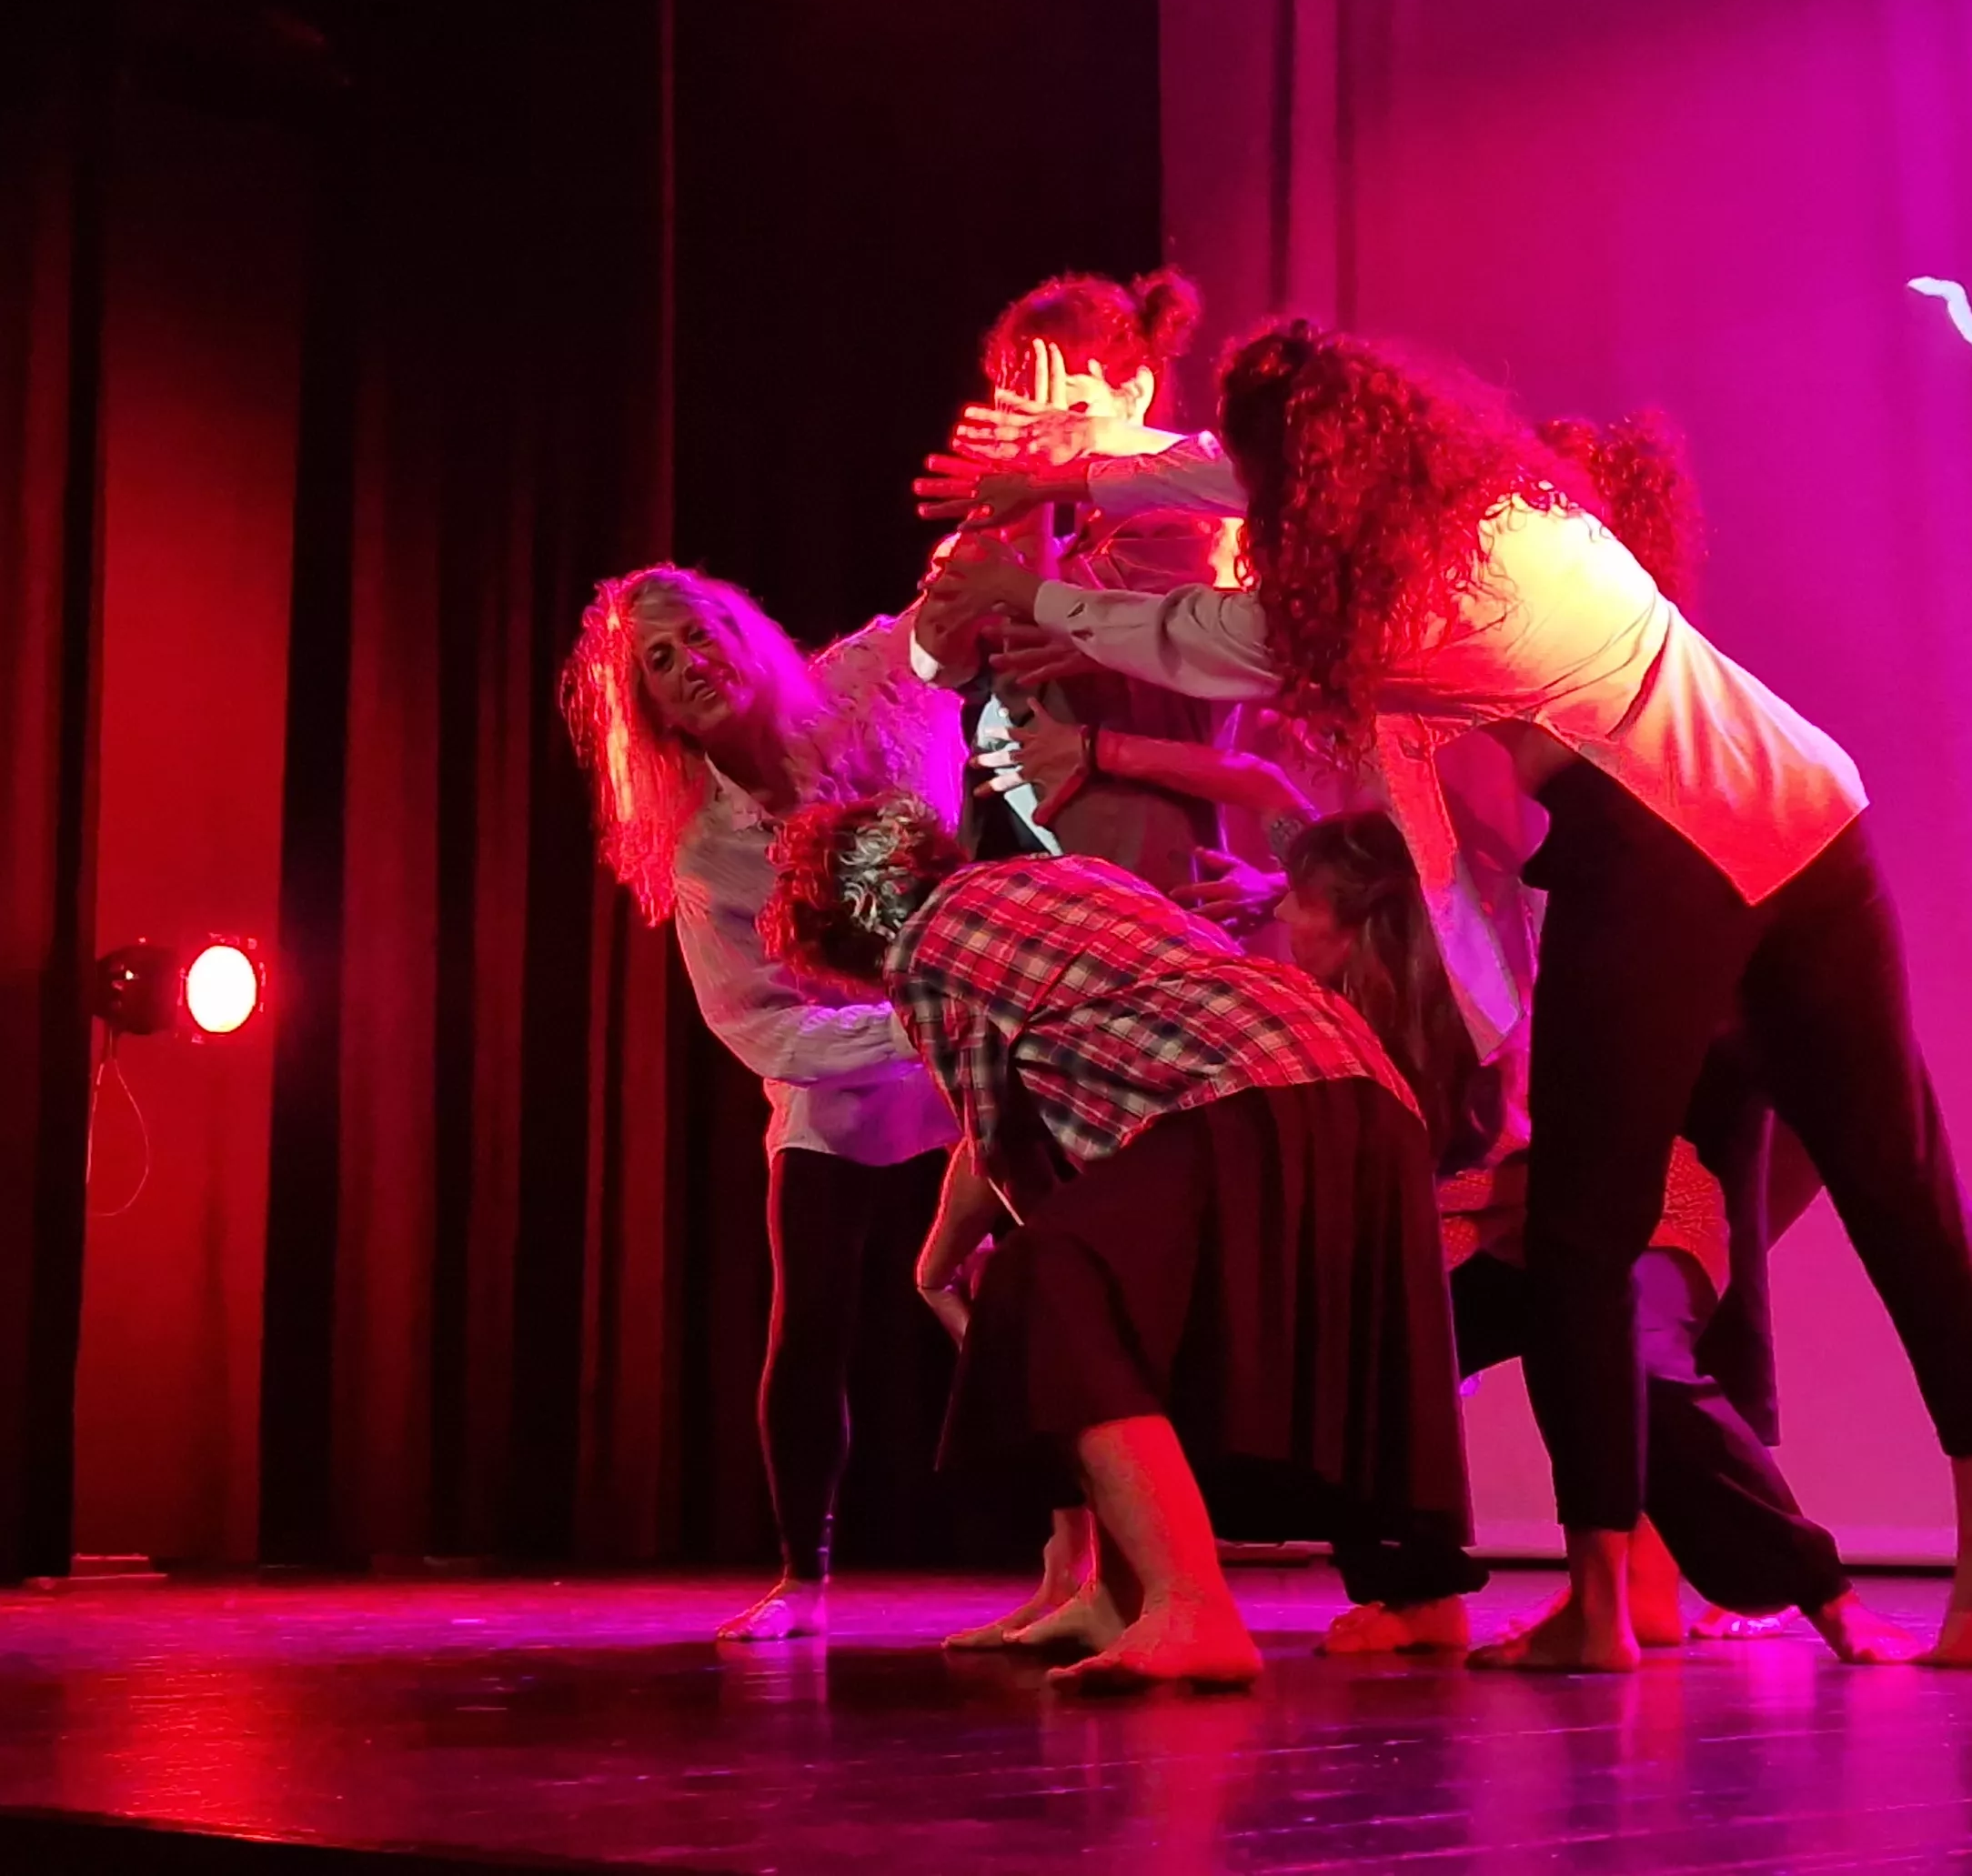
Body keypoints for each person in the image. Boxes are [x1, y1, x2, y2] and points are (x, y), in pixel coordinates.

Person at [921, 323, 1972, 1670]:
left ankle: (1599, 1599)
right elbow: (1227, 475)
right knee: (1898, 1183)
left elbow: (1205, 635)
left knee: (1578, 1233)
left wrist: (1025, 586)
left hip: (1668, 841)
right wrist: (1077, 486)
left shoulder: (1389, 607)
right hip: (1807, 797)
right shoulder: (1513, 498)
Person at [761, 795, 1466, 1693]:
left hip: (1243, 1089)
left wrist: (952, 1267)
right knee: (1097, 1283)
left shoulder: (922, 952)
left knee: (1050, 1277)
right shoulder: (1059, 874)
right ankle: (1124, 1592)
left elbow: (1000, 1141)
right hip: (1359, 1087)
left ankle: (1188, 1605)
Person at [560, 567, 1092, 1644]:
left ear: (744, 634)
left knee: (1033, 1290)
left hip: (980, 1042)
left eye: (700, 635)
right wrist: (911, 1030)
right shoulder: (704, 848)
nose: (689, 664)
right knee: (809, 1321)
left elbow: (950, 605)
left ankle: (1076, 1555)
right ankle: (802, 1577)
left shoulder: (865, 681)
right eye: (658, 661)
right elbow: (755, 1025)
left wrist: (1048, 473)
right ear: (648, 707)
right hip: (847, 1077)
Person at [1278, 811, 1933, 1662]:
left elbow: (1542, 1164)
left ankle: (1824, 1593)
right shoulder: (1329, 1022)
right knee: (1361, 1350)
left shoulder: (1495, 1007)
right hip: (1493, 1233)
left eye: (1301, 900)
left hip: (1630, 1208)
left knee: (1630, 1356)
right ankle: (1417, 1592)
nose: (1283, 917)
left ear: (1363, 921)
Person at [908, 270, 1242, 891]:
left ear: (1133, 394)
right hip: (1025, 871)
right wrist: (995, 509)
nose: (1042, 432)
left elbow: (1045, 636)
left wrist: (1027, 498)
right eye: (1021, 412)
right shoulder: (1059, 539)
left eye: (1069, 407)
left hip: (1137, 873)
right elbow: (934, 660)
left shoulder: (1184, 528)